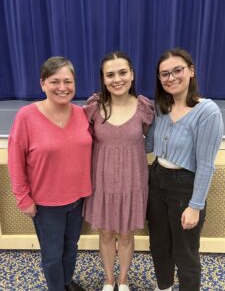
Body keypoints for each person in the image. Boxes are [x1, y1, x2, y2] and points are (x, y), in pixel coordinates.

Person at [8, 56, 92, 291]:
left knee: (71, 247)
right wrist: (23, 198)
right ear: (42, 83)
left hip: (78, 199)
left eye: (68, 81)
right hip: (46, 204)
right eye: (55, 81)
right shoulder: (26, 116)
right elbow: (15, 161)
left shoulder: (83, 114)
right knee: (52, 254)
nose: (62, 88)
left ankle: (66, 282)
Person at [145, 48, 224, 291]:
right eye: (164, 74)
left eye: (177, 70)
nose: (171, 77)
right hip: (156, 179)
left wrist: (195, 205)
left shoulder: (207, 111)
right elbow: (148, 144)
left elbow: (206, 165)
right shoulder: (160, 107)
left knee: (185, 252)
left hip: (185, 186)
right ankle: (164, 287)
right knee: (159, 245)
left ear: (191, 71)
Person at [83, 51, 154, 291]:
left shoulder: (144, 108)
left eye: (122, 72)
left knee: (125, 235)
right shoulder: (94, 108)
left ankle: (122, 281)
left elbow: (156, 139)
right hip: (102, 183)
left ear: (132, 75)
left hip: (133, 183)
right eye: (110, 74)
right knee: (105, 234)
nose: (117, 79)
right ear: (103, 79)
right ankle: (108, 280)